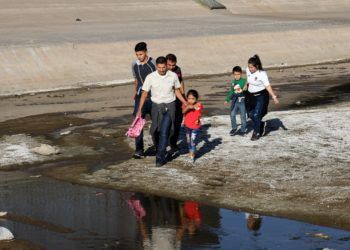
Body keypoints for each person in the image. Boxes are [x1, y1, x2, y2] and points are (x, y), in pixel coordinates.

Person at [136, 56, 187, 167]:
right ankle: (159, 147)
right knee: (155, 131)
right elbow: (144, 94)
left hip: (170, 105)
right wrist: (139, 110)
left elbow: (177, 90)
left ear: (166, 66)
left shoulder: (173, 75)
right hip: (156, 106)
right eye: (159, 68)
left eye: (163, 67)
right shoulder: (151, 77)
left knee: (165, 131)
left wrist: (185, 102)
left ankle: (160, 157)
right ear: (156, 66)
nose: (162, 70)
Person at [131, 42, 156, 159]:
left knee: (156, 122)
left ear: (146, 52)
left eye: (140, 54)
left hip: (154, 97)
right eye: (137, 55)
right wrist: (135, 92)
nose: (139, 57)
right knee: (138, 121)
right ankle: (139, 150)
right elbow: (136, 79)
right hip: (140, 97)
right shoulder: (134, 65)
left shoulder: (153, 63)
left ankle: (158, 145)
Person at [246, 55, 279, 141]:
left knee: (256, 114)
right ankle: (260, 124)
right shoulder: (247, 70)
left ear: (256, 66)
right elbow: (248, 81)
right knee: (250, 114)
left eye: (251, 67)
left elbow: (267, 86)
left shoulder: (262, 74)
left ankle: (256, 132)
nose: (249, 69)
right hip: (251, 96)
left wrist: (274, 96)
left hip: (261, 96)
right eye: (249, 67)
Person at [166, 54, 185, 152]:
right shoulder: (162, 71)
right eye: (169, 65)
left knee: (177, 122)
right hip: (167, 100)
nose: (171, 67)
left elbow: (181, 82)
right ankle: (164, 142)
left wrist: (183, 94)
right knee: (167, 122)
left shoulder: (178, 70)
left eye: (173, 65)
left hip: (178, 98)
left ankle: (173, 143)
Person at [224, 66, 247, 136]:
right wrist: (227, 100)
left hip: (242, 101)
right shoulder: (233, 82)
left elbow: (247, 89)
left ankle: (243, 130)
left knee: (243, 116)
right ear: (233, 74)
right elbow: (231, 92)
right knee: (232, 114)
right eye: (235, 74)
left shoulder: (244, 81)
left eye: (238, 74)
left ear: (241, 74)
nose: (237, 76)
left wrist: (245, 88)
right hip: (235, 101)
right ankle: (234, 128)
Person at [182, 90, 203, 162]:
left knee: (192, 141)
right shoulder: (185, 104)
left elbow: (199, 113)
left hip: (195, 126)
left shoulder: (198, 105)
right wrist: (188, 107)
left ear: (196, 99)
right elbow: (183, 112)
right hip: (187, 125)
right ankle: (191, 151)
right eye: (189, 98)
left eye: (193, 99)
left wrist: (198, 119)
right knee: (188, 140)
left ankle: (192, 154)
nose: (190, 100)